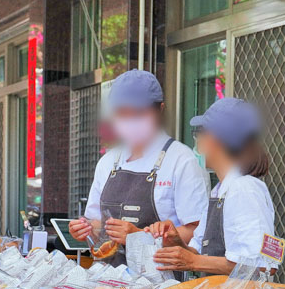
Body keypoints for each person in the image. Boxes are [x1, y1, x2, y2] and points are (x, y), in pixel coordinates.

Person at [68, 70, 208, 266]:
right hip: (107, 282)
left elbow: (197, 231)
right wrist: (85, 229)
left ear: (160, 109)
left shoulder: (182, 160)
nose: (130, 120)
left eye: (139, 113)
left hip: (161, 284)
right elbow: (97, 224)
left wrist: (140, 237)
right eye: (122, 114)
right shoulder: (108, 162)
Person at [148, 98, 274, 275]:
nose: (197, 142)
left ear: (214, 139)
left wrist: (193, 261)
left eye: (199, 134)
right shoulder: (220, 191)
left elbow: (260, 265)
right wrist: (175, 242)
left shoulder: (245, 190)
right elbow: (199, 252)